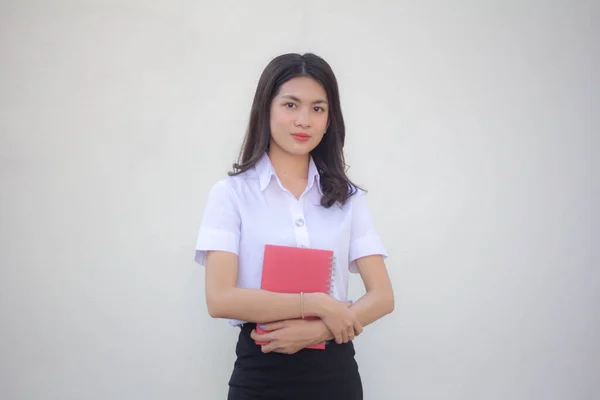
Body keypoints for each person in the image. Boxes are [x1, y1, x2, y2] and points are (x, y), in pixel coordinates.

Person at [194, 53, 394, 400]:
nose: (304, 120)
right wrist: (316, 303)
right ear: (266, 109)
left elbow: (382, 297)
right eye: (291, 105)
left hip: (335, 375)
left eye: (318, 108)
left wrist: (318, 330)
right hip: (261, 371)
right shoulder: (231, 195)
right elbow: (220, 299)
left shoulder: (348, 198)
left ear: (330, 119)